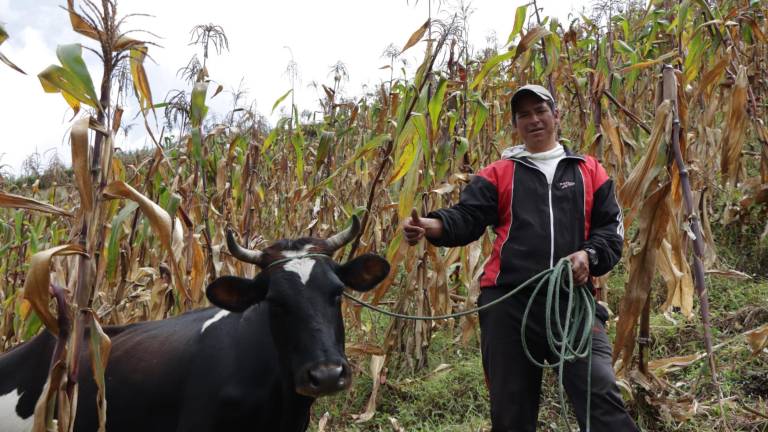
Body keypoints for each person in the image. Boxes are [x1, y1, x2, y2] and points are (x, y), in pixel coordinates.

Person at [402, 84, 639, 431]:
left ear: (556, 115)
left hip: (572, 301)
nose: (534, 119)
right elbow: (467, 217)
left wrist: (589, 256)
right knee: (511, 410)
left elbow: (610, 230)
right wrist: (432, 225)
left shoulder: (589, 170)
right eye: (524, 115)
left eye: (540, 111)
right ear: (515, 124)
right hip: (508, 304)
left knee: (599, 392)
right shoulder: (499, 173)